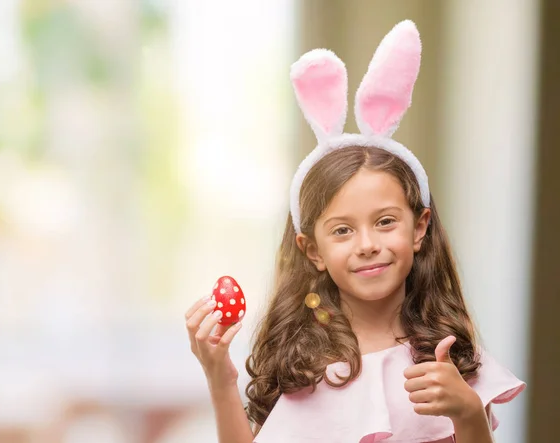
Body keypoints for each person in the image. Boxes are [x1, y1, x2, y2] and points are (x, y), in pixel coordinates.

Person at [185, 20, 525, 443]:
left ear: (419, 227)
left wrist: (468, 412)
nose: (367, 245)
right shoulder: (301, 365)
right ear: (313, 251)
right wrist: (220, 378)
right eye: (342, 230)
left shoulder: (448, 356)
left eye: (385, 222)